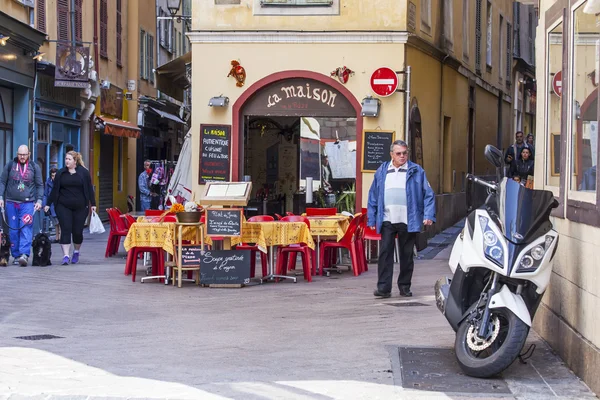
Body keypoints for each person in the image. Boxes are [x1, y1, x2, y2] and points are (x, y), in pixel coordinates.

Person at [367, 140, 436, 298]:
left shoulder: (416, 171)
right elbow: (373, 196)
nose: (402, 156)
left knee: (406, 255)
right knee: (385, 254)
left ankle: (404, 287)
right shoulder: (382, 171)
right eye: (398, 153)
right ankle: (383, 288)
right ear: (392, 154)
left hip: (408, 219)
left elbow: (429, 195)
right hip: (387, 218)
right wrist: (371, 219)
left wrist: (428, 215)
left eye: (405, 153)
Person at [45, 151, 96, 265]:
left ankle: (76, 251)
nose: (66, 161)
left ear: (75, 161)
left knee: (77, 232)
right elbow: (54, 190)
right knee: (66, 229)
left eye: (69, 159)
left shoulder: (84, 173)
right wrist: (48, 204)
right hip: (63, 206)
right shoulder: (60, 173)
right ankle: (66, 256)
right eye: (66, 159)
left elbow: (89, 189)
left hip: (81, 207)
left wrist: (93, 204)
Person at [0, 145, 44, 266]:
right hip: (11, 202)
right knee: (13, 230)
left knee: (26, 228)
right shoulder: (10, 165)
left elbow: (40, 185)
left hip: (28, 203)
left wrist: (39, 200)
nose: (22, 157)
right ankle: (16, 255)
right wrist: (0, 197)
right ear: (17, 154)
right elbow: (2, 181)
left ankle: (24, 254)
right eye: (20, 154)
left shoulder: (34, 167)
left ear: (29, 154)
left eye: (24, 154)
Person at [42, 167, 60, 242]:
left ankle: (61, 237)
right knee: (55, 222)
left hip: (60, 204)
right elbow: (45, 194)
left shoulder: (61, 182)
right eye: (52, 175)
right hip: (51, 205)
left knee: (60, 221)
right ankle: (57, 237)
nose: (54, 177)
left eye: (55, 175)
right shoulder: (48, 183)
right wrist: (44, 205)